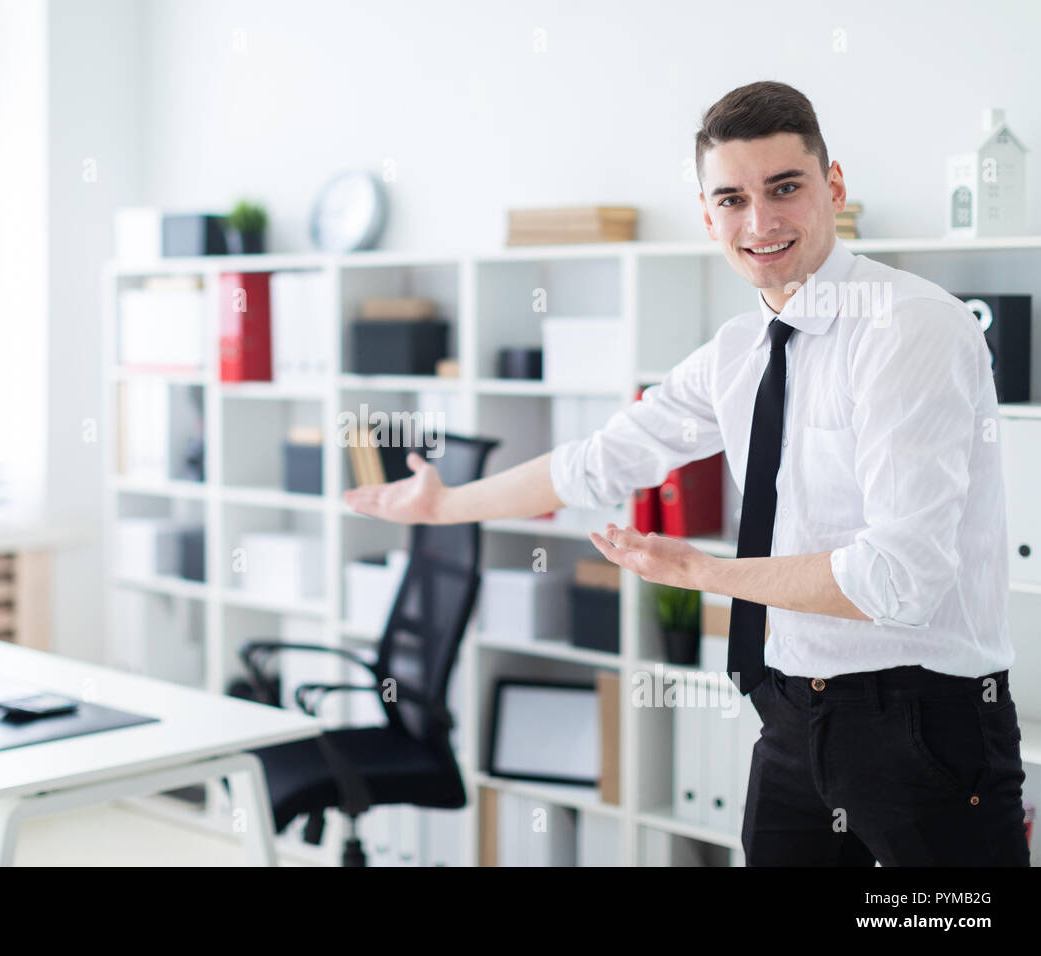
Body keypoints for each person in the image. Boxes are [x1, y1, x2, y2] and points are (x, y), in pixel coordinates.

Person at [343, 80, 1030, 867]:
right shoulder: (741, 350)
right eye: (732, 199)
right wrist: (446, 504)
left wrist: (705, 571)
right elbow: (598, 461)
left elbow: (898, 577)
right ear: (708, 218)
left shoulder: (909, 327)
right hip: (793, 712)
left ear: (833, 187)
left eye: (785, 189)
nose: (760, 222)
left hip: (924, 725)